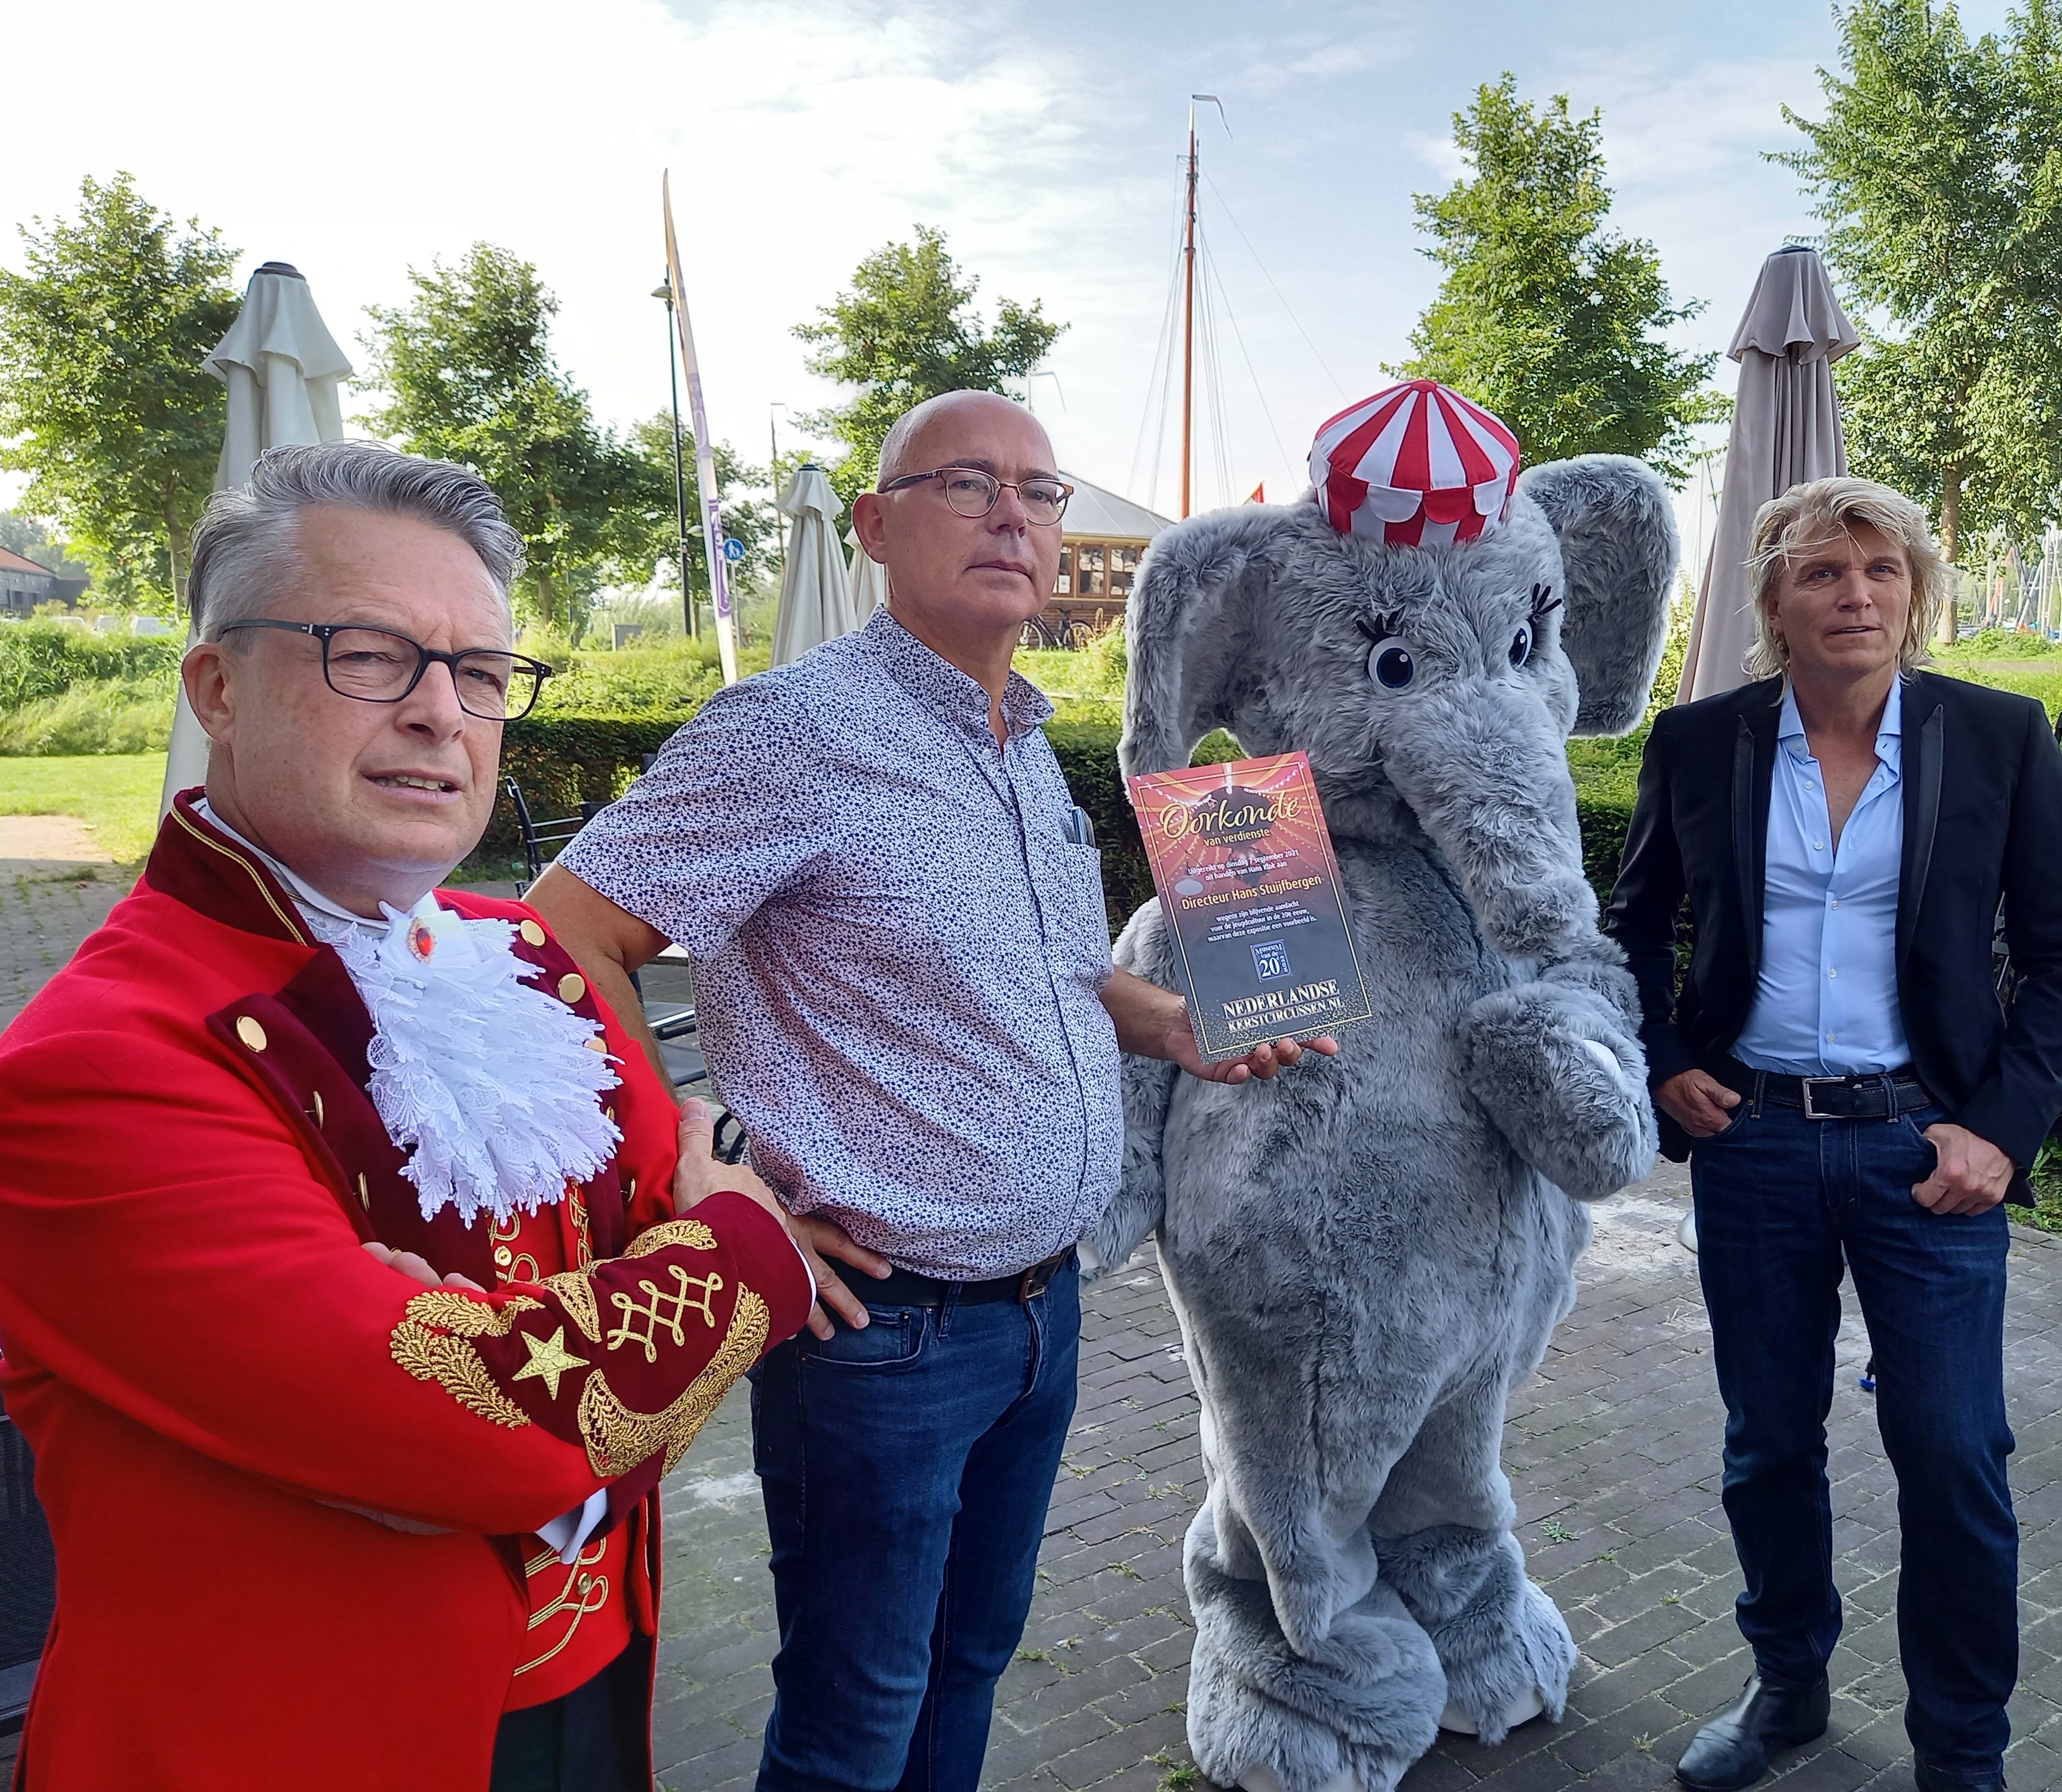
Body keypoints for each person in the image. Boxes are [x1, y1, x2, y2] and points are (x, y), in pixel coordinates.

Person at [529, 389, 1329, 1792]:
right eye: (967, 483)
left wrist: (1188, 1027)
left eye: (1040, 488)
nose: (1014, 514)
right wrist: (699, 1168)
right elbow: (562, 935)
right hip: (879, 1335)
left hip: (1043, 1310)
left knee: (968, 1664)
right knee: (855, 1720)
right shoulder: (788, 731)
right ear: (875, 525)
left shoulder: (1024, 741)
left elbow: (1057, 981)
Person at [0, 442, 817, 1792]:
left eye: (481, 670)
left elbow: (572, 1397)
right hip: (293, 1742)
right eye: (368, 652)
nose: (444, 712)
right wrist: (746, 1247)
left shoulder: (535, 962)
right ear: (215, 687)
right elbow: (502, 1422)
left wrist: (537, 1366)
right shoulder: (88, 1066)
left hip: (603, 1686)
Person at [1608, 477, 2062, 1792]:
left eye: (1882, 571)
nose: (1856, 596)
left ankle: (1960, 1751)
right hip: (1754, 1144)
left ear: (1916, 591)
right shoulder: (1699, 741)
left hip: (1924, 1157)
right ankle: (1786, 1692)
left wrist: (1998, 1131)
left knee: (1951, 1454)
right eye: (1823, 573)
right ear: (1772, 599)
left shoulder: (1993, 739)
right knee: (1765, 1442)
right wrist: (1662, 1061)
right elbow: (1630, 928)